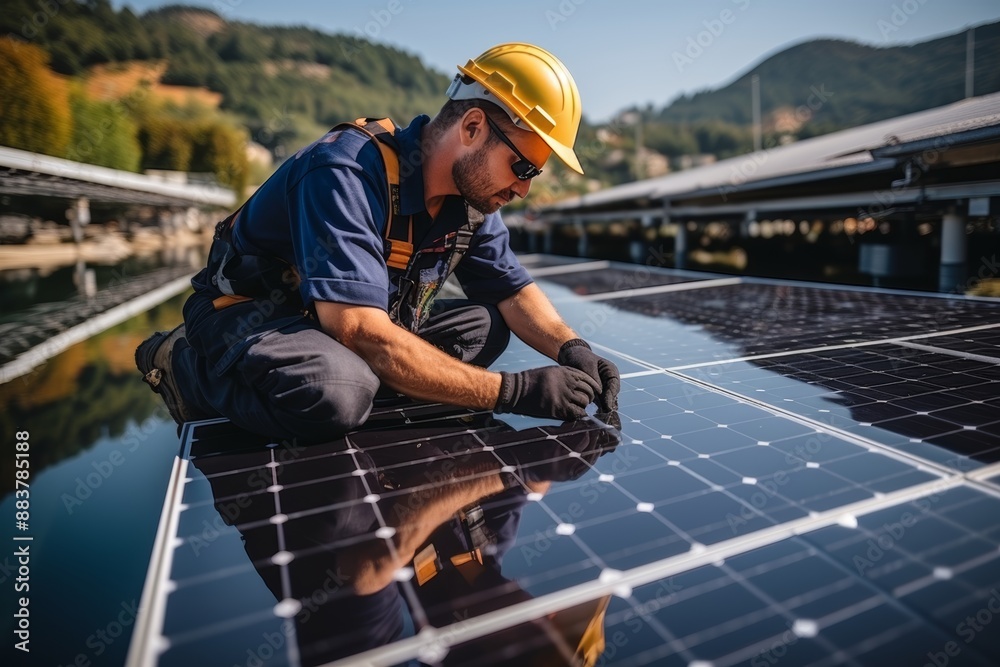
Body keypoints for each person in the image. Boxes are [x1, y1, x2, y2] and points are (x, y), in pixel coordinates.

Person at [136, 42, 620, 442]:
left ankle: (372, 381)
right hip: (252, 314)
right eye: (523, 167)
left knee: (488, 327)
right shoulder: (344, 171)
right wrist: (510, 393)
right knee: (337, 393)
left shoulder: (471, 201)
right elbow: (359, 330)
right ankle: (183, 366)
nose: (524, 189)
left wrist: (573, 349)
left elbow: (512, 292)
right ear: (472, 128)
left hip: (334, 329)